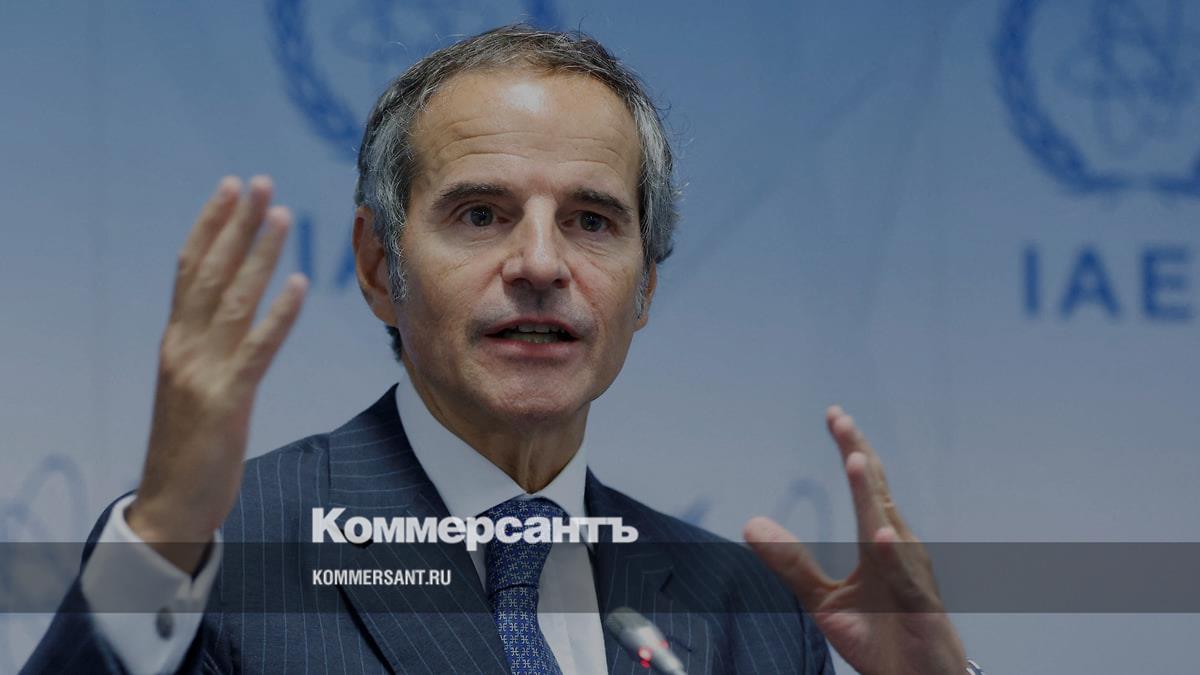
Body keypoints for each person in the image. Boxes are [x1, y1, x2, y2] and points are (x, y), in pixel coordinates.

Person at [25, 25, 971, 674]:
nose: (541, 264)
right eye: (481, 214)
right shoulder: (217, 552)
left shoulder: (745, 613)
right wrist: (161, 540)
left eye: (592, 221)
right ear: (378, 265)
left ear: (646, 286)